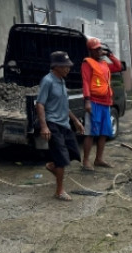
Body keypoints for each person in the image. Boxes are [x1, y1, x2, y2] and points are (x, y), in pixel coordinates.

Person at [36, 51, 85, 201]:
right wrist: (44, 126)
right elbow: (40, 104)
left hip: (64, 123)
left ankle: (52, 166)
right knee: (62, 158)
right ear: (56, 66)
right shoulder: (48, 81)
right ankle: (59, 191)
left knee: (73, 152)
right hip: (52, 123)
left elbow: (64, 105)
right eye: (65, 66)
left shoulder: (62, 81)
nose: (68, 69)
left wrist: (76, 121)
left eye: (69, 66)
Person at [81, 37, 122, 170]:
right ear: (90, 51)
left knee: (104, 131)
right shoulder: (87, 63)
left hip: (106, 102)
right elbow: (86, 82)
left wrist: (109, 54)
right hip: (93, 102)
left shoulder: (104, 64)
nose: (99, 51)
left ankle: (99, 159)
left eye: (100, 48)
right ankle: (86, 161)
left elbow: (118, 66)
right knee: (90, 132)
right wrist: (87, 101)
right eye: (96, 49)